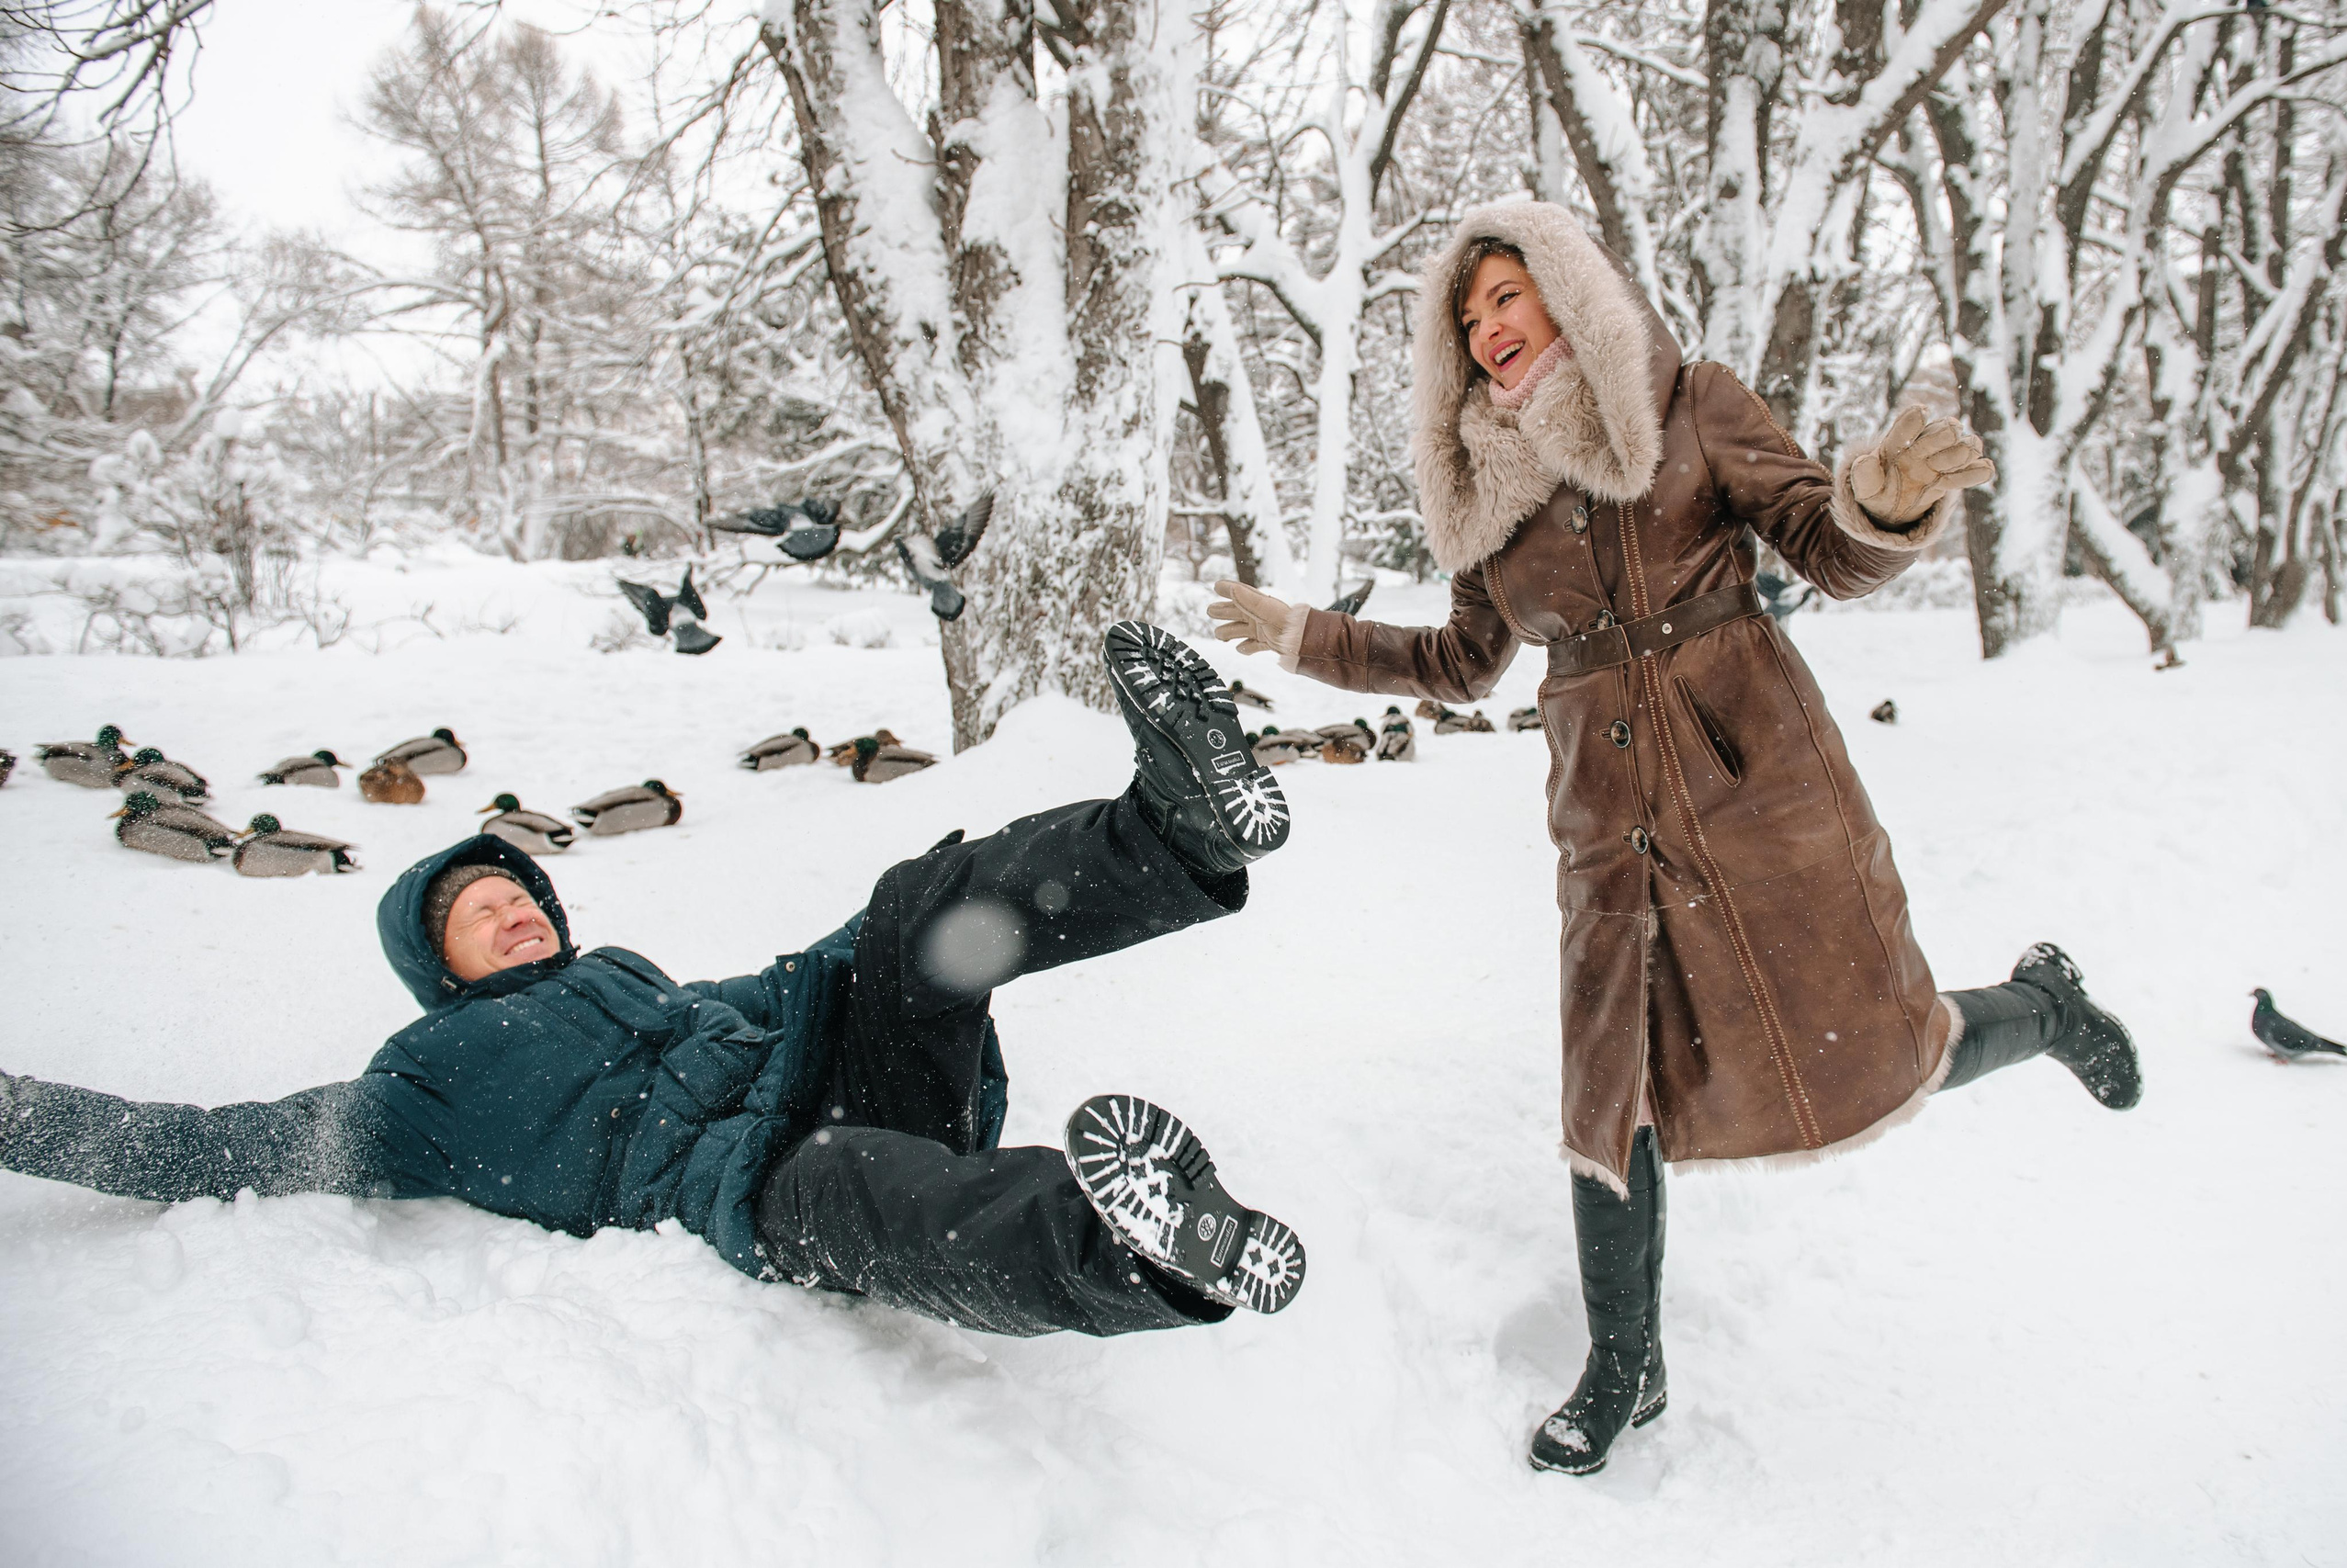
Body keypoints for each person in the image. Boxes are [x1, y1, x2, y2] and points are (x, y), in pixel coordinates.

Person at [1208, 200, 2142, 1473]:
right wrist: (1304, 635)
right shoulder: (1489, 504)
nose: (1486, 328)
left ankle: (2045, 1004)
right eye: (1466, 315)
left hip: (1761, 788)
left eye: (1506, 297)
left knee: (1881, 1041)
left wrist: (1878, 503)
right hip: (1604, 820)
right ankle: (1624, 1365)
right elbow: (1463, 660)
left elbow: (1822, 546)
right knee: (1608, 1089)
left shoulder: (1692, 406)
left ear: (1569, 292)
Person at [0, 623, 1306, 1335]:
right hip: (750, 1189)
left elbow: (759, 1000)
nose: (510, 912)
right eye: (477, 917)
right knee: (858, 1185)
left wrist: (859, 953)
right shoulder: (421, 1088)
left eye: (515, 895)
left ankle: (1177, 831)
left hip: (829, 1078)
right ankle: (1137, 1249)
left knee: (916, 914)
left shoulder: (628, 978)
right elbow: (195, 1145)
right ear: (437, 973)